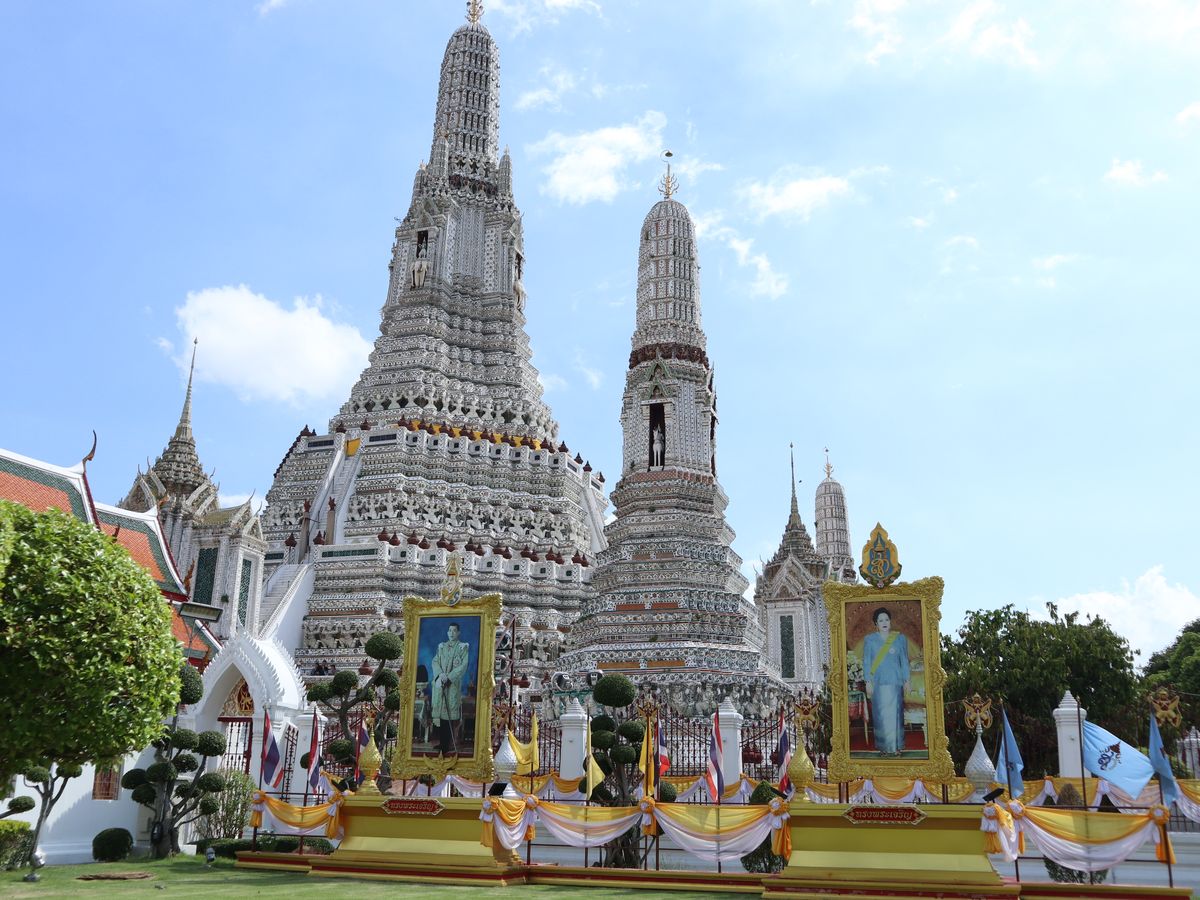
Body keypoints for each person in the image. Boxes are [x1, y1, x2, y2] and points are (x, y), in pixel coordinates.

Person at [862, 607, 910, 756]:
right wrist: (868, 681)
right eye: (881, 620)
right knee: (881, 717)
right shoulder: (870, 640)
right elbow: (867, 662)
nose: (884, 623)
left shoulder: (899, 639)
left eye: (886, 620)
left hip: (896, 682)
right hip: (878, 683)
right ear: (876, 623)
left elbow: (904, 661)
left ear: (890, 621)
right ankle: (883, 748)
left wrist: (907, 680)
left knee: (896, 715)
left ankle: (897, 747)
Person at [431, 622, 471, 754]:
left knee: (449, 715)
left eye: (454, 631)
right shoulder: (441, 646)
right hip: (441, 682)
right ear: (447, 632)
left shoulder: (462, 647)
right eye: (450, 630)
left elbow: (463, 665)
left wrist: (449, 677)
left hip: (452, 685)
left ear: (458, 633)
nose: (451, 633)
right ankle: (442, 743)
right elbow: (435, 661)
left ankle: (448, 744)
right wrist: (440, 674)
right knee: (442, 716)